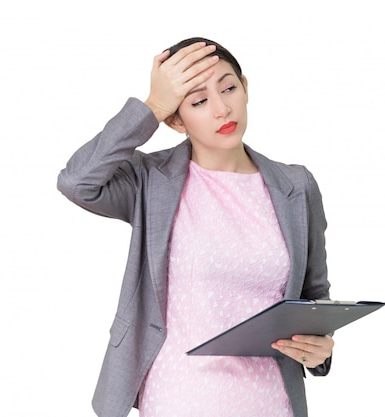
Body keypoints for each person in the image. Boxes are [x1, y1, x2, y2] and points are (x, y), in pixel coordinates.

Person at [57, 37, 334, 417]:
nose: (222, 108)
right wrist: (151, 106)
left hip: (272, 400)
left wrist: (319, 346)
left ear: (246, 88)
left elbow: (313, 296)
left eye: (229, 88)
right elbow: (77, 182)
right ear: (175, 118)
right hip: (180, 397)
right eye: (199, 101)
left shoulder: (297, 186)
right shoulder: (149, 180)